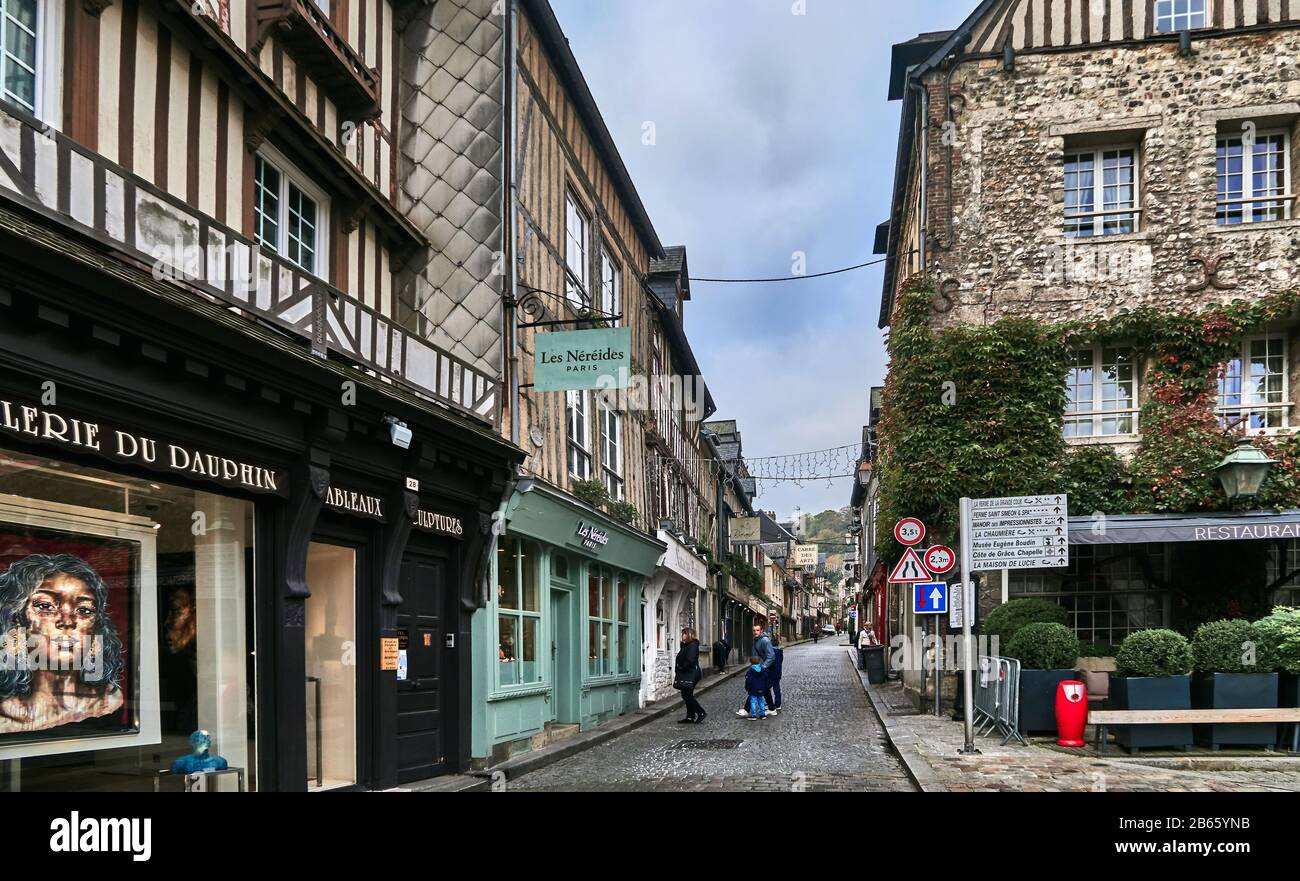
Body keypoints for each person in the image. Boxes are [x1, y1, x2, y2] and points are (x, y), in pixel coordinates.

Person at [0, 554, 126, 734]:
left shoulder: (108, 700)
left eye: (84, 610)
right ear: (17, 620)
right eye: (45, 606)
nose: (67, 621)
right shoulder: (5, 717)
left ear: (96, 627)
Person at [735, 622, 776, 717]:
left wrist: (762, 668)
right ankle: (772, 708)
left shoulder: (765, 641)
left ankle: (746, 710)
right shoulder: (756, 640)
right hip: (760, 667)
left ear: (761, 631)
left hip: (765, 669)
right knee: (764, 689)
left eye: (757, 630)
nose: (755, 632)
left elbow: (771, 656)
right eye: (754, 630)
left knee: (755, 688)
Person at [674, 627, 706, 724]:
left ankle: (701, 713)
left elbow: (690, 660)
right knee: (687, 694)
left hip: (691, 673)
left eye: (683, 634)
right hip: (688, 673)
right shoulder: (687, 645)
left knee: (686, 695)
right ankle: (690, 717)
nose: (682, 635)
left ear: (688, 635)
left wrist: (681, 668)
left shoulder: (692, 645)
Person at [744, 655, 767, 720]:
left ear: (751, 662)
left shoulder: (750, 671)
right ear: (759, 661)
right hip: (761, 688)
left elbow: (748, 681)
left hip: (753, 689)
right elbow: (766, 677)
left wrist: (747, 687)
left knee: (753, 702)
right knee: (761, 702)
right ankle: (763, 715)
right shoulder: (763, 669)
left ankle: (753, 715)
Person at [766, 634, 784, 711]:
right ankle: (778, 704)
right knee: (777, 689)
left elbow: (769, 663)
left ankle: (770, 704)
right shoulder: (780, 652)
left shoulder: (770, 653)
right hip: (778, 673)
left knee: (766, 689)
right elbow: (780, 662)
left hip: (771, 673)